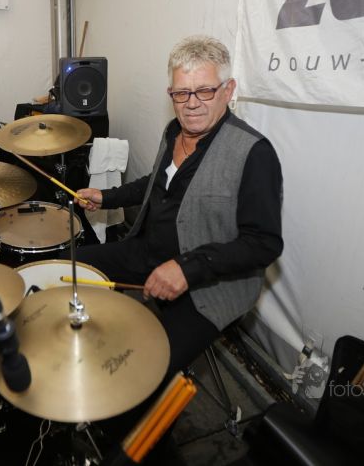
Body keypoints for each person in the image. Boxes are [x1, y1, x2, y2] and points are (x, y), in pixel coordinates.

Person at [76, 35, 283, 378]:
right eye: (182, 93)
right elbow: (157, 183)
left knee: (143, 372)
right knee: (69, 266)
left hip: (209, 287)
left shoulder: (255, 153)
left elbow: (263, 244)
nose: (192, 104)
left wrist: (187, 268)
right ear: (170, 93)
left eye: (205, 91)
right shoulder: (174, 131)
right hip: (148, 252)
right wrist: (107, 196)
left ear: (228, 90)